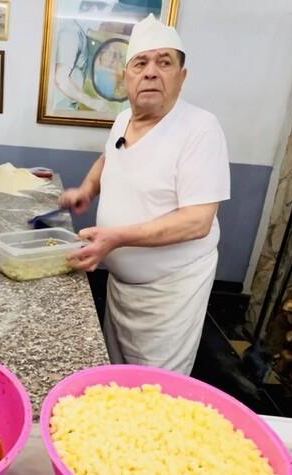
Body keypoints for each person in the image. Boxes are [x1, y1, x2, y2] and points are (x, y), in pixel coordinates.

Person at [60, 14, 230, 375]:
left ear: (181, 78)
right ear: (126, 76)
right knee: (115, 374)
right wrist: (88, 189)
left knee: (154, 388)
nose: (151, 72)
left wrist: (117, 238)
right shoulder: (123, 119)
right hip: (121, 288)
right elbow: (111, 157)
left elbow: (198, 222)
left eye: (164, 62)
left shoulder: (200, 129)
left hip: (170, 295)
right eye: (141, 63)